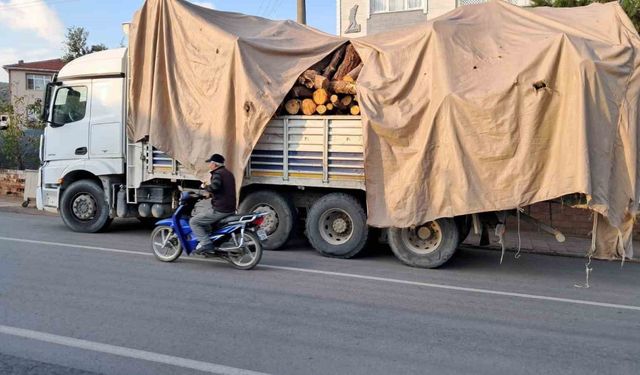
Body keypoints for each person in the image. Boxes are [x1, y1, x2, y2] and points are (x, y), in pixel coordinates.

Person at [190, 153, 237, 253]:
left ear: (215, 164)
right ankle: (212, 238)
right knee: (205, 214)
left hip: (221, 208)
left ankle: (206, 243)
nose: (209, 165)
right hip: (230, 207)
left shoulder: (218, 174)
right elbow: (223, 190)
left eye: (210, 163)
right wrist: (210, 194)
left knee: (194, 221)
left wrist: (205, 187)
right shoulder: (228, 173)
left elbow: (215, 187)